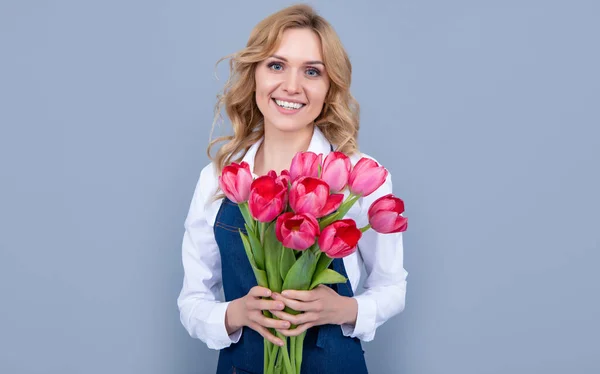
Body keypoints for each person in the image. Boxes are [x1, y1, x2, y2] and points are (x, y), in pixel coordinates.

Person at [177, 4, 407, 373]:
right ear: (254, 75)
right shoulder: (219, 178)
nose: (292, 86)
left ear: (330, 85)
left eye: (312, 71)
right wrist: (236, 313)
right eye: (276, 65)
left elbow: (393, 288)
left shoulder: (358, 176)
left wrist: (344, 309)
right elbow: (192, 301)